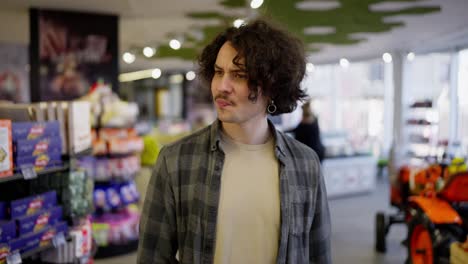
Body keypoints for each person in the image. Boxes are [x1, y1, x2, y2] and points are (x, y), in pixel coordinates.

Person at [137, 19, 331, 264]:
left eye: (239, 75)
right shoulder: (176, 161)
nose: (222, 86)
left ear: (272, 85)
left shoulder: (305, 164)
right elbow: (152, 258)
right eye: (218, 72)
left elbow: (318, 255)